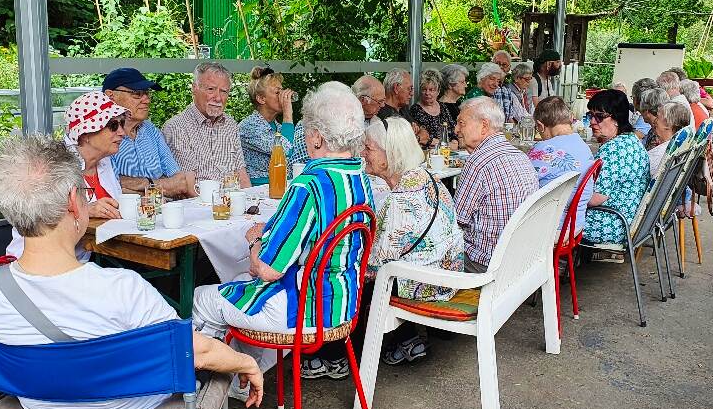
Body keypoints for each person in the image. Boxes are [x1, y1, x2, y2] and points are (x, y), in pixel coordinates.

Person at [0, 135, 264, 409]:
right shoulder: (121, 287)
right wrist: (247, 363)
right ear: (76, 203)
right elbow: (198, 351)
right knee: (207, 348)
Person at [192, 82, 372, 380]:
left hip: (305, 312)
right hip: (344, 303)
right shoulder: (359, 178)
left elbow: (267, 269)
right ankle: (241, 380)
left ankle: (204, 397)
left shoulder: (308, 185)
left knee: (203, 297)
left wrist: (255, 239)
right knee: (238, 282)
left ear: (315, 137)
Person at [301, 117, 464, 377]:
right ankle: (406, 340)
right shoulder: (427, 177)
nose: (362, 153)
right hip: (446, 273)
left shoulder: (399, 201)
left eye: (369, 148)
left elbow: (373, 268)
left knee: (337, 273)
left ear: (392, 153)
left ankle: (331, 356)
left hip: (427, 285)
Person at [5, 91, 124, 259]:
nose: (122, 132)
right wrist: (85, 211)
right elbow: (37, 221)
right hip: (44, 263)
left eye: (122, 124)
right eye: (113, 126)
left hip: (95, 257)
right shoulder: (53, 162)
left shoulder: (104, 161)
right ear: (87, 134)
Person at [454, 97, 539, 273]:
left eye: (461, 123)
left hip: (486, 263)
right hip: (522, 257)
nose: (456, 130)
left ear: (484, 126)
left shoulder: (478, 162)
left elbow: (456, 221)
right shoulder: (520, 156)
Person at [103, 68, 194, 199]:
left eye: (147, 93)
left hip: (163, 212)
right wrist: (163, 184)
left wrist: (145, 184)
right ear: (110, 95)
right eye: (136, 93)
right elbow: (113, 187)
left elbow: (180, 182)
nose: (146, 100)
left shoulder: (151, 130)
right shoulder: (102, 135)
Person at [162, 62, 251, 188]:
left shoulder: (230, 124)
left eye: (224, 91)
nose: (218, 98)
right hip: (198, 203)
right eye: (211, 89)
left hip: (232, 200)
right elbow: (187, 187)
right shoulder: (177, 127)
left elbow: (241, 173)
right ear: (194, 88)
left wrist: (249, 201)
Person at [583, 89, 650, 245]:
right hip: (627, 220)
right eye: (590, 115)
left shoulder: (612, 151)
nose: (592, 121)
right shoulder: (632, 141)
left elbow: (595, 199)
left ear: (616, 119)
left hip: (608, 225)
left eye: (599, 116)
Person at [527, 96, 595, 234]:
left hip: (551, 229)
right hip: (575, 226)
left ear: (540, 125)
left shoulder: (543, 149)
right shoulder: (584, 146)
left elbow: (523, 181)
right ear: (570, 119)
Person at [239, 67, 297, 186]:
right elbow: (285, 150)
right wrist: (287, 113)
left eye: (282, 91)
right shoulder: (249, 127)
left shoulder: (279, 127)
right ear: (261, 99)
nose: (282, 97)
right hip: (260, 192)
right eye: (277, 92)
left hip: (282, 186)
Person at [647, 101, 691, 177]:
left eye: (658, 117)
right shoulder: (683, 147)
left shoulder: (656, 156)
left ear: (668, 125)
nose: (655, 121)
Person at [409, 69, 450, 143]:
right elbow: (424, 136)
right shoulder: (416, 109)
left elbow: (452, 128)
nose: (427, 93)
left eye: (431, 90)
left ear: (438, 91)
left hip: (447, 148)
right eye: (424, 89)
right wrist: (443, 144)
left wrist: (454, 141)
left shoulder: (443, 107)